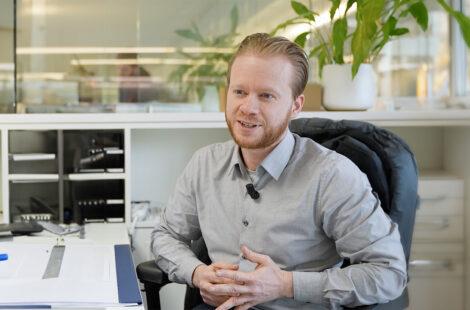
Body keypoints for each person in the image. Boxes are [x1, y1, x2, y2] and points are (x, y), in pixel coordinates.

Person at [151, 33, 407, 310]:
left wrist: (285, 284)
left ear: (295, 106)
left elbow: (388, 273)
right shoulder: (205, 164)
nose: (248, 108)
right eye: (239, 92)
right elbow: (165, 234)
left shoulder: (333, 175)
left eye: (266, 96)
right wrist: (197, 274)